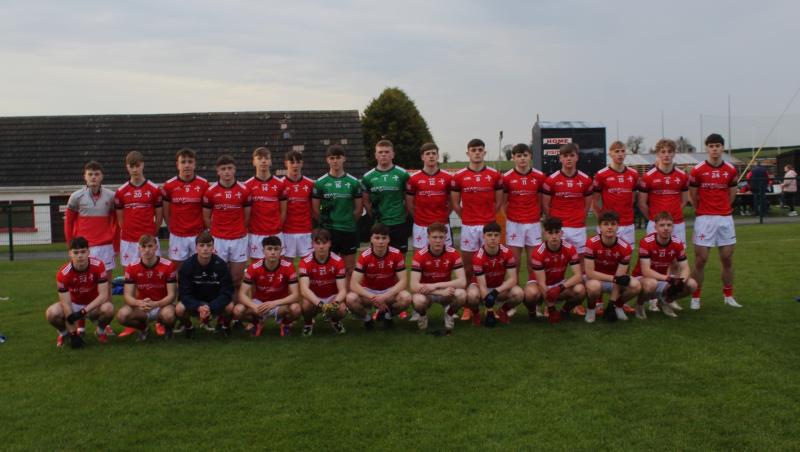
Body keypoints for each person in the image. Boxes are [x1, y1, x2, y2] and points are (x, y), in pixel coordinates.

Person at [451, 138, 503, 321]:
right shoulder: (459, 176)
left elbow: (498, 202)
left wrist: (488, 217)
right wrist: (466, 216)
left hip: (488, 227)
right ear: (468, 153)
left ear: (484, 152)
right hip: (469, 227)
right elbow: (455, 203)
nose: (477, 153)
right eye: (474, 150)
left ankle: (490, 304)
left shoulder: (494, 175)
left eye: (480, 150)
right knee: (468, 268)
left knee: (491, 266)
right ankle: (468, 306)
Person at [689, 133, 742, 310]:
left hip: (725, 218)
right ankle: (695, 297)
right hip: (704, 219)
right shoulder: (697, 170)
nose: (715, 149)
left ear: (722, 148)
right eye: (711, 146)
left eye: (718, 146)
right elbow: (693, 195)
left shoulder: (731, 170)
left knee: (727, 258)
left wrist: (724, 208)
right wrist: (702, 210)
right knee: (701, 260)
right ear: (706, 148)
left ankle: (728, 295)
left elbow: (732, 193)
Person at [64, 161, 116, 334]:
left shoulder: (111, 196)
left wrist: (114, 243)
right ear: (84, 176)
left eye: (97, 174)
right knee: (84, 286)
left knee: (106, 286)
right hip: (84, 248)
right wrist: (69, 245)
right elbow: (69, 222)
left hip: (106, 247)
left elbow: (116, 221)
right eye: (90, 174)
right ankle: (81, 325)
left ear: (102, 176)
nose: (93, 177)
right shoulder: (76, 197)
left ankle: (104, 323)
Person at [541, 143, 593, 316]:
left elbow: (587, 204)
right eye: (565, 156)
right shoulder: (552, 179)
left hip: (578, 228)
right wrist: (554, 224)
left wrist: (579, 218)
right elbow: (546, 205)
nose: (569, 159)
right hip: (559, 229)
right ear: (560, 158)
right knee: (553, 265)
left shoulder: (585, 179)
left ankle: (576, 302)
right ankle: (549, 302)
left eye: (572, 155)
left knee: (580, 267)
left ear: (577, 157)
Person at [45, 236, 114, 348]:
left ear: (88, 252)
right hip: (73, 305)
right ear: (70, 254)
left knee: (109, 308)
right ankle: (64, 334)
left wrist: (83, 312)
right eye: (76, 252)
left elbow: (103, 295)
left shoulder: (99, 265)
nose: (80, 255)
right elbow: (65, 303)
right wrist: (73, 334)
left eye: (83, 252)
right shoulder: (63, 274)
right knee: (52, 313)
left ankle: (100, 331)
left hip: (93, 305)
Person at [631, 211, 698, 319]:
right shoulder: (646, 242)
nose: (666, 228)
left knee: (692, 284)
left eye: (669, 225)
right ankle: (639, 305)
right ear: (655, 227)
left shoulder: (677, 243)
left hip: (663, 279)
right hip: (643, 278)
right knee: (651, 284)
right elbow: (645, 271)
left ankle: (665, 302)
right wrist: (669, 279)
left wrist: (681, 282)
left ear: (673, 227)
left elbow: (685, 267)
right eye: (662, 225)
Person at [202, 154, 251, 303]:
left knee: (236, 279)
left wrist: (238, 230)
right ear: (218, 171)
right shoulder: (211, 191)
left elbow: (247, 217)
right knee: (219, 278)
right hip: (219, 240)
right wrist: (217, 232)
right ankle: (222, 313)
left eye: (230, 168)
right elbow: (206, 217)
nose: (227, 172)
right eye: (223, 169)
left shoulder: (244, 190)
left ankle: (235, 314)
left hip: (239, 239)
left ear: (235, 169)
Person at [345, 223, 412, 330]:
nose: (380, 241)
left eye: (384, 238)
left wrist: (384, 297)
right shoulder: (364, 256)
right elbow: (353, 284)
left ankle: (387, 316)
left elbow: (403, 281)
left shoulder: (396, 254)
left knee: (406, 297)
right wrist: (373, 297)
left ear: (388, 239)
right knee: (350, 298)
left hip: (388, 292)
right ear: (371, 239)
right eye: (377, 238)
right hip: (369, 293)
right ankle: (367, 319)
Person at [312, 145, 363, 280]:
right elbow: (316, 211)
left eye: (338, 158)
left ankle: (346, 299)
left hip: (348, 230)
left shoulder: (353, 182)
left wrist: (348, 221)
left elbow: (358, 210)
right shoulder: (320, 183)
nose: (335, 161)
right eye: (332, 158)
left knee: (349, 268)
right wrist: (325, 225)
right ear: (327, 160)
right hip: (329, 231)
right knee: (331, 268)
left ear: (344, 159)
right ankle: (333, 297)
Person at [234, 235, 301, 337]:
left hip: (279, 304)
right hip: (259, 304)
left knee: (296, 309)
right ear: (263, 250)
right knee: (238, 310)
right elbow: (242, 294)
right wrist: (254, 306)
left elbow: (296, 295)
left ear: (281, 250)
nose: (273, 252)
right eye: (269, 249)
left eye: (276, 249)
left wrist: (274, 303)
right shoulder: (254, 267)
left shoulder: (288, 267)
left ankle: (285, 324)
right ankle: (257, 323)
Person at [524, 217, 586, 324]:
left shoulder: (570, 248)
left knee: (580, 290)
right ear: (545, 234)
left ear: (561, 233)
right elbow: (542, 283)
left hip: (558, 283)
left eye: (557, 232)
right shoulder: (538, 253)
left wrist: (560, 287)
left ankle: (564, 311)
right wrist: (551, 308)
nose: (554, 236)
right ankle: (532, 312)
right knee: (530, 293)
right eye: (550, 233)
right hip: (539, 285)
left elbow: (578, 275)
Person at [583, 211, 641, 323]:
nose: (609, 227)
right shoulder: (591, 243)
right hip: (595, 279)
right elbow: (590, 273)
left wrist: (611, 303)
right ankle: (591, 309)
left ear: (618, 226)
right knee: (594, 287)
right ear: (599, 227)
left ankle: (618, 306)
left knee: (636, 286)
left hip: (614, 281)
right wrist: (614, 278)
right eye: (605, 224)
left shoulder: (625, 247)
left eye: (613, 224)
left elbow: (620, 277)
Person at [116, 234, 177, 340]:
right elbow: (127, 295)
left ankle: (168, 329)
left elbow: (172, 295)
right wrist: (139, 303)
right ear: (139, 248)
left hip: (162, 305)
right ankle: (144, 328)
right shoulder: (132, 267)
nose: (147, 250)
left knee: (169, 316)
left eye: (150, 246)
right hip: (142, 307)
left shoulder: (168, 266)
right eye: (143, 247)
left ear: (156, 247)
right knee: (122, 315)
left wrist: (156, 304)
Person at [175, 232, 235, 337]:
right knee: (179, 309)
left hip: (214, 302)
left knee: (230, 306)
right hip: (195, 302)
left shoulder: (221, 265)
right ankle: (189, 328)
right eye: (202, 245)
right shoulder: (187, 266)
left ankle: (224, 327)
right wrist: (198, 306)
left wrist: (211, 307)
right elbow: (184, 294)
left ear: (213, 247)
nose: (205, 249)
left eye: (209, 245)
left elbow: (227, 292)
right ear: (196, 248)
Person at [409, 222, 467, 332]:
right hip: (427, 294)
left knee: (462, 294)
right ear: (428, 238)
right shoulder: (420, 255)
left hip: (444, 292)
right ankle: (422, 315)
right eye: (434, 237)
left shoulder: (453, 253)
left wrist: (436, 286)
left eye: (441, 237)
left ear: (446, 238)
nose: (438, 240)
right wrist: (439, 292)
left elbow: (462, 281)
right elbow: (413, 285)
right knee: (417, 300)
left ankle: (449, 314)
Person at [466, 222, 524, 327]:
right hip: (480, 287)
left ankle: (503, 311)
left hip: (498, 287)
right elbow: (482, 286)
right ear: (484, 236)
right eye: (489, 235)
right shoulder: (478, 257)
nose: (493, 238)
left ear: (500, 237)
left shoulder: (507, 253)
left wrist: (496, 292)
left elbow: (513, 279)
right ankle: (476, 314)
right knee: (471, 296)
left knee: (519, 293)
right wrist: (489, 311)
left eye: (496, 235)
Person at [502, 143, 546, 279]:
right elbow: (503, 203)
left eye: (525, 155)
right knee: (514, 263)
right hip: (514, 224)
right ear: (513, 158)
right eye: (519, 156)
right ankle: (514, 296)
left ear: (530, 156)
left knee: (534, 263)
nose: (522, 159)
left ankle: (533, 295)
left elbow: (541, 201)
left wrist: (537, 216)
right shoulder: (506, 177)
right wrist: (511, 218)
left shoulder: (539, 176)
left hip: (533, 224)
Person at [161, 148, 209, 271]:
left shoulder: (204, 185)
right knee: (178, 272)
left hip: (198, 235)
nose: (187, 165)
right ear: (177, 165)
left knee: (199, 270)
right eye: (183, 162)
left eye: (190, 161)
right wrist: (172, 228)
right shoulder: (169, 185)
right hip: (178, 236)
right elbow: (165, 212)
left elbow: (209, 211)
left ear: (195, 164)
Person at [361, 139, 411, 254]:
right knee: (379, 260)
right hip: (379, 225)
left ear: (393, 154)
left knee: (400, 261)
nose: (383, 154)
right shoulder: (368, 177)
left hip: (399, 223)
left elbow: (408, 200)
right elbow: (366, 203)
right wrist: (374, 216)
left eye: (387, 152)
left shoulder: (402, 174)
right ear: (376, 155)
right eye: (380, 152)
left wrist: (402, 215)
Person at [115, 150, 163, 267]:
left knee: (154, 270)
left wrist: (152, 233)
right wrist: (128, 231)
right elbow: (120, 219)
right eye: (132, 166)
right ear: (127, 167)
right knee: (129, 273)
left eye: (138, 166)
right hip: (129, 240)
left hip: (149, 239)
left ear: (143, 165)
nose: (135, 169)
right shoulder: (121, 192)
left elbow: (159, 216)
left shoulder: (154, 189)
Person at [637, 138, 689, 244]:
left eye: (670, 152)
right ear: (658, 154)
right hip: (655, 224)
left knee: (678, 258)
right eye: (663, 152)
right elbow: (642, 203)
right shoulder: (648, 177)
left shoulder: (683, 176)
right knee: (654, 258)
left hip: (677, 223)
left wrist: (674, 213)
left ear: (674, 153)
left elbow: (684, 200)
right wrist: (653, 219)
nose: (666, 155)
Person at [298, 228, 347, 336]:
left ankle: (334, 321)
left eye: (324, 243)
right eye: (318, 243)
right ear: (312, 244)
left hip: (331, 297)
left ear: (329, 243)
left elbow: (343, 290)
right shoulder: (305, 262)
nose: (321, 246)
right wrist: (320, 304)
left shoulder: (338, 261)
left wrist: (335, 303)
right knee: (305, 305)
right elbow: (304, 289)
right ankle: (308, 324)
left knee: (342, 309)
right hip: (314, 298)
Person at [406, 142, 454, 250]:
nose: (431, 156)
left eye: (434, 153)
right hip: (421, 225)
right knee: (419, 258)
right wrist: (419, 217)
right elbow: (409, 203)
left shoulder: (448, 178)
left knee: (445, 258)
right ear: (422, 157)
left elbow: (452, 202)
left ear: (438, 156)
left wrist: (444, 215)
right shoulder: (414, 178)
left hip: (442, 224)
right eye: (428, 154)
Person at [592, 141, 639, 246]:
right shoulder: (601, 174)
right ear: (610, 154)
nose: (620, 154)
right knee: (605, 257)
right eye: (617, 151)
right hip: (609, 224)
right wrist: (601, 219)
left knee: (627, 256)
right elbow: (594, 201)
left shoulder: (633, 174)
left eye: (622, 151)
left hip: (627, 223)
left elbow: (633, 198)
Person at [245, 147, 286, 259]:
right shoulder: (247, 186)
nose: (263, 161)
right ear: (254, 162)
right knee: (256, 268)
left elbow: (283, 212)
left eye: (266, 158)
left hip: (275, 233)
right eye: (259, 158)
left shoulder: (280, 184)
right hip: (255, 234)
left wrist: (276, 226)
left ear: (270, 161)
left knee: (277, 268)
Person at [281, 150, 316, 258]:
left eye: (298, 162)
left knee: (308, 266)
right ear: (286, 163)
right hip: (286, 232)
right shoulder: (279, 184)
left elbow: (318, 206)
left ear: (302, 163)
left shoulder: (311, 184)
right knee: (286, 266)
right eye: (292, 162)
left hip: (306, 231)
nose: (295, 165)